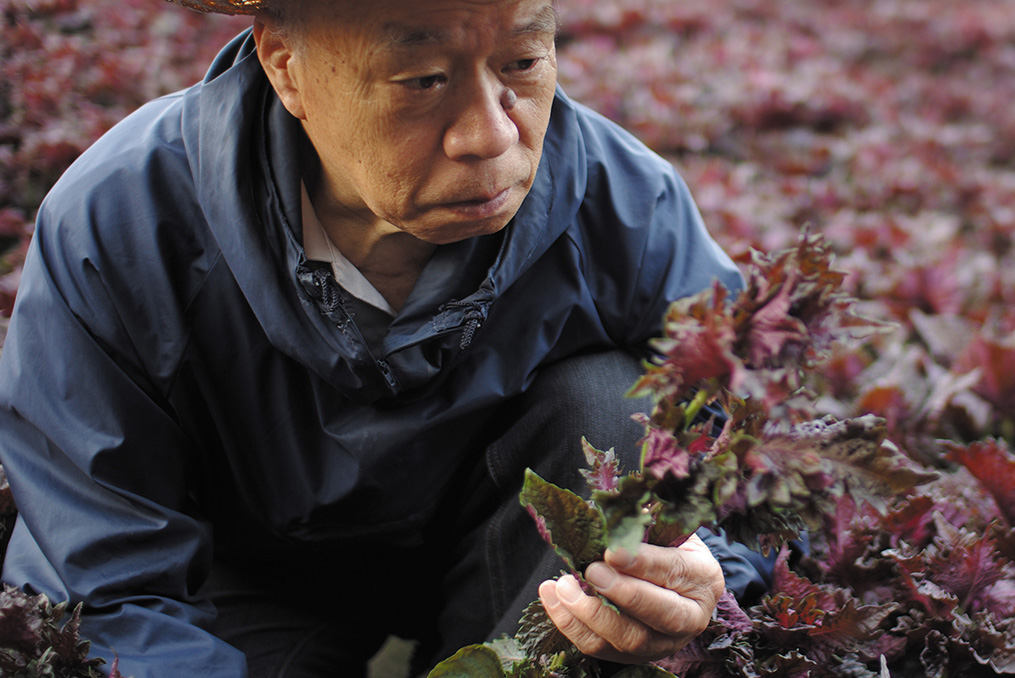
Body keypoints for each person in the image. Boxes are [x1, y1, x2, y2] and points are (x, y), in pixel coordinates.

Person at [0, 0, 767, 675]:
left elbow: (756, 462)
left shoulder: (628, 206)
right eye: (424, 79)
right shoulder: (122, 220)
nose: (490, 134)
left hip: (519, 571)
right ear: (285, 66)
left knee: (613, 404)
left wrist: (704, 580)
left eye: (522, 62)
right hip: (237, 579)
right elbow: (111, 570)